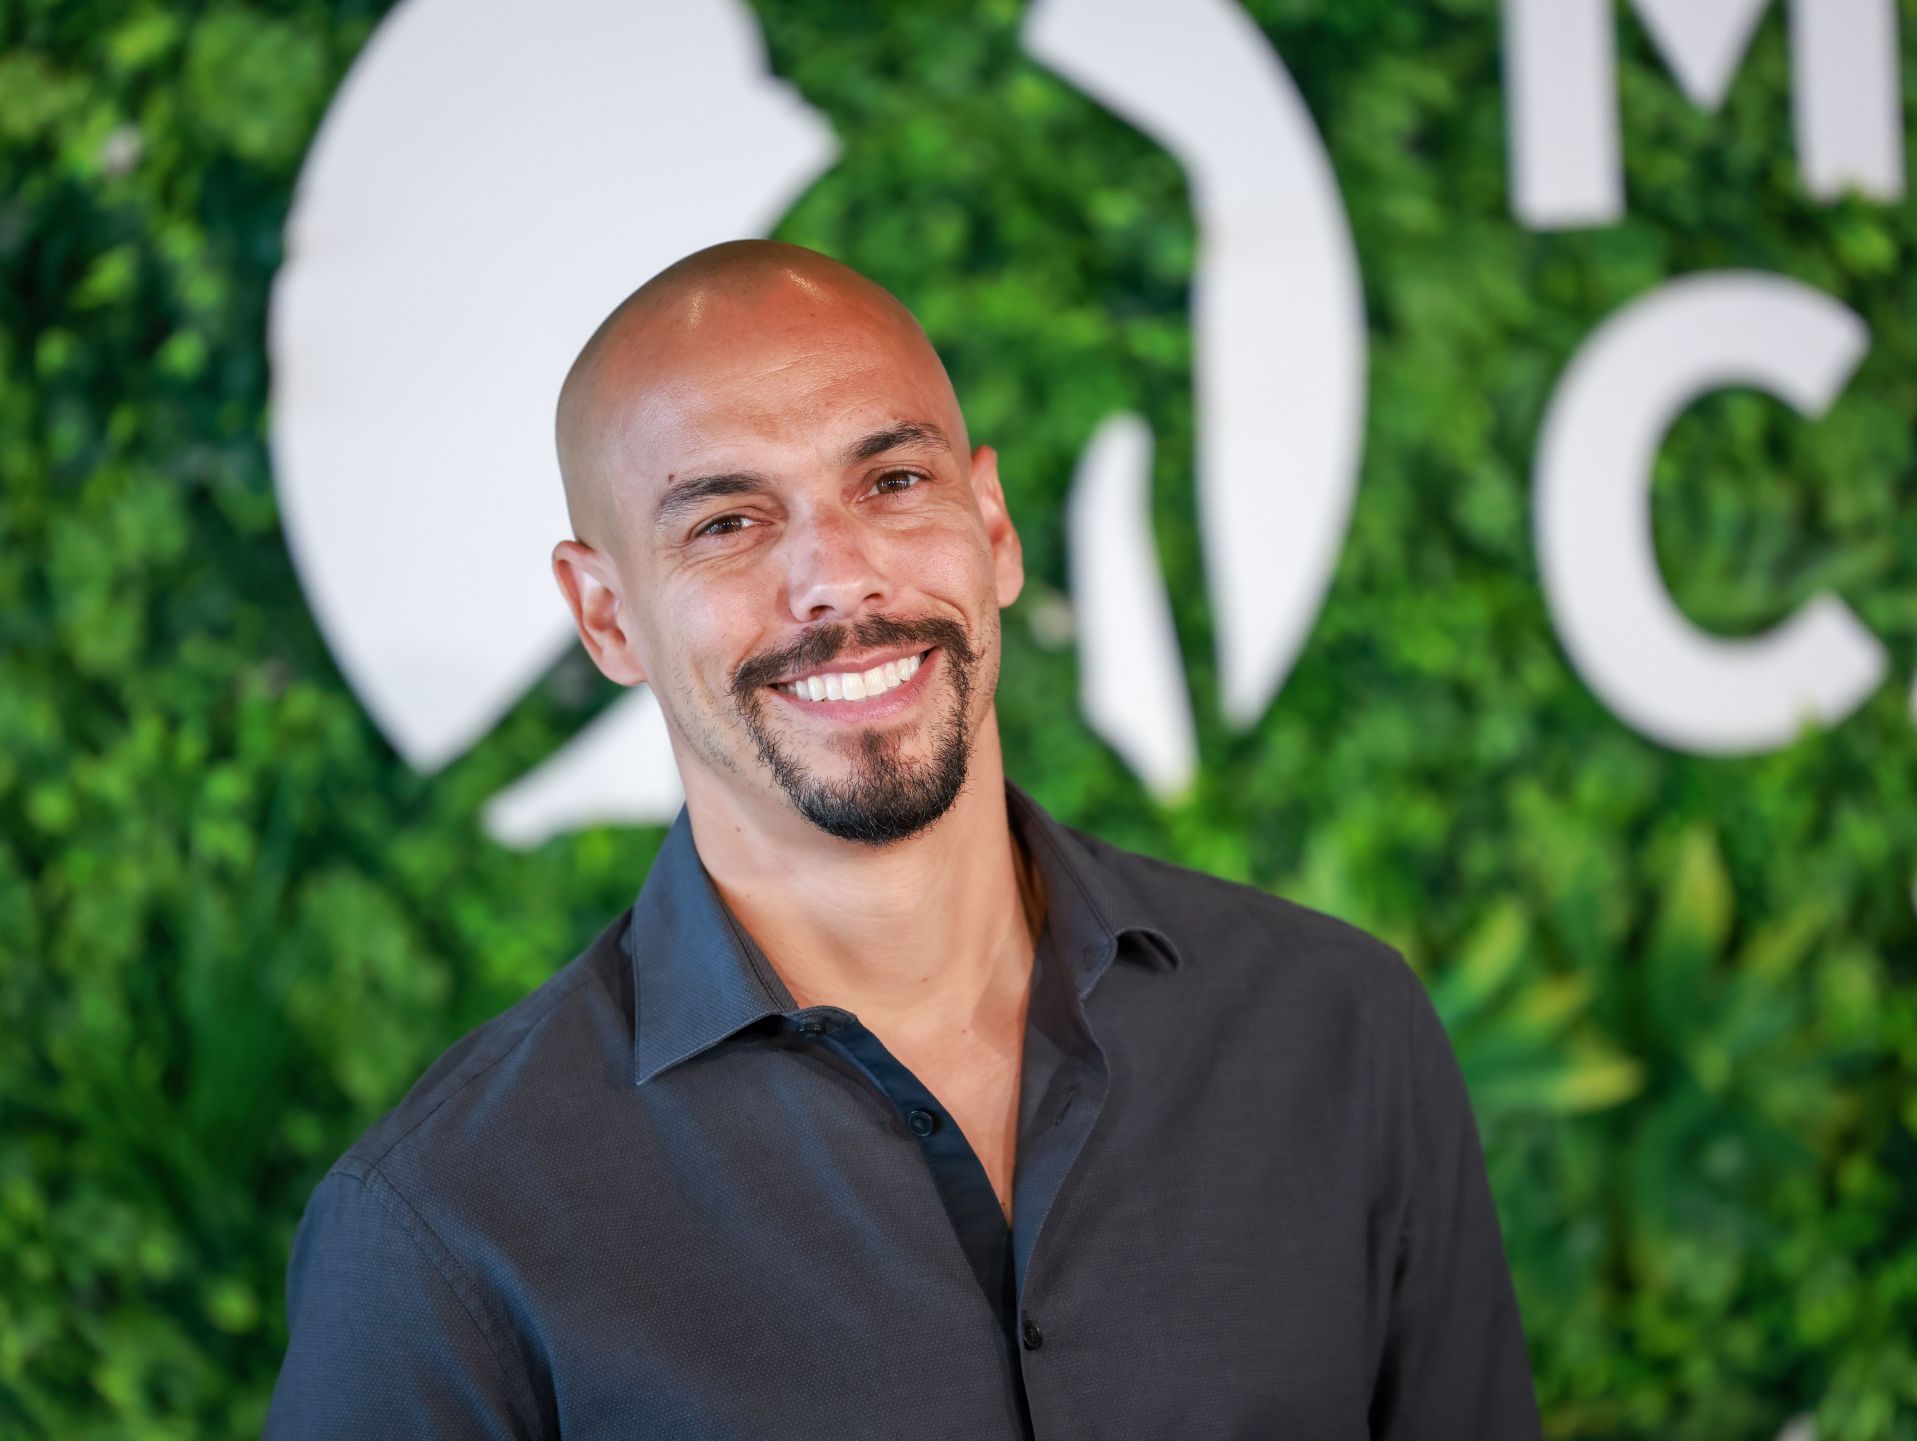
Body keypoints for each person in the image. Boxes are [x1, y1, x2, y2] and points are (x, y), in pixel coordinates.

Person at [264, 240, 1542, 1439]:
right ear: (606, 617)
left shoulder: (1337, 1028)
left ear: (991, 527)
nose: (839, 579)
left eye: (891, 481)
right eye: (728, 522)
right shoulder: (444, 1226)